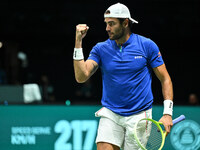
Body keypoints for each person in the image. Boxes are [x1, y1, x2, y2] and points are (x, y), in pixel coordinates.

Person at [73, 3, 173, 150]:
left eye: (111, 24)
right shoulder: (101, 49)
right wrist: (78, 41)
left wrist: (167, 113)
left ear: (125, 23)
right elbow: (81, 77)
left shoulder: (147, 46)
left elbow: (165, 79)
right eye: (106, 24)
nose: (107, 28)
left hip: (139, 115)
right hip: (111, 113)